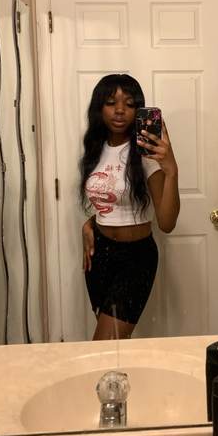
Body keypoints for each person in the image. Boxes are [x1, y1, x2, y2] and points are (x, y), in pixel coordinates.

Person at [79, 74, 180, 340]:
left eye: (130, 103)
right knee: (114, 347)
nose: (120, 110)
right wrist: (90, 223)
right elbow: (109, 200)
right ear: (99, 107)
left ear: (138, 110)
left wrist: (171, 170)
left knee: (104, 344)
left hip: (135, 259)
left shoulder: (146, 153)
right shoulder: (94, 149)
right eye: (111, 102)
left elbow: (167, 223)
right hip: (99, 257)